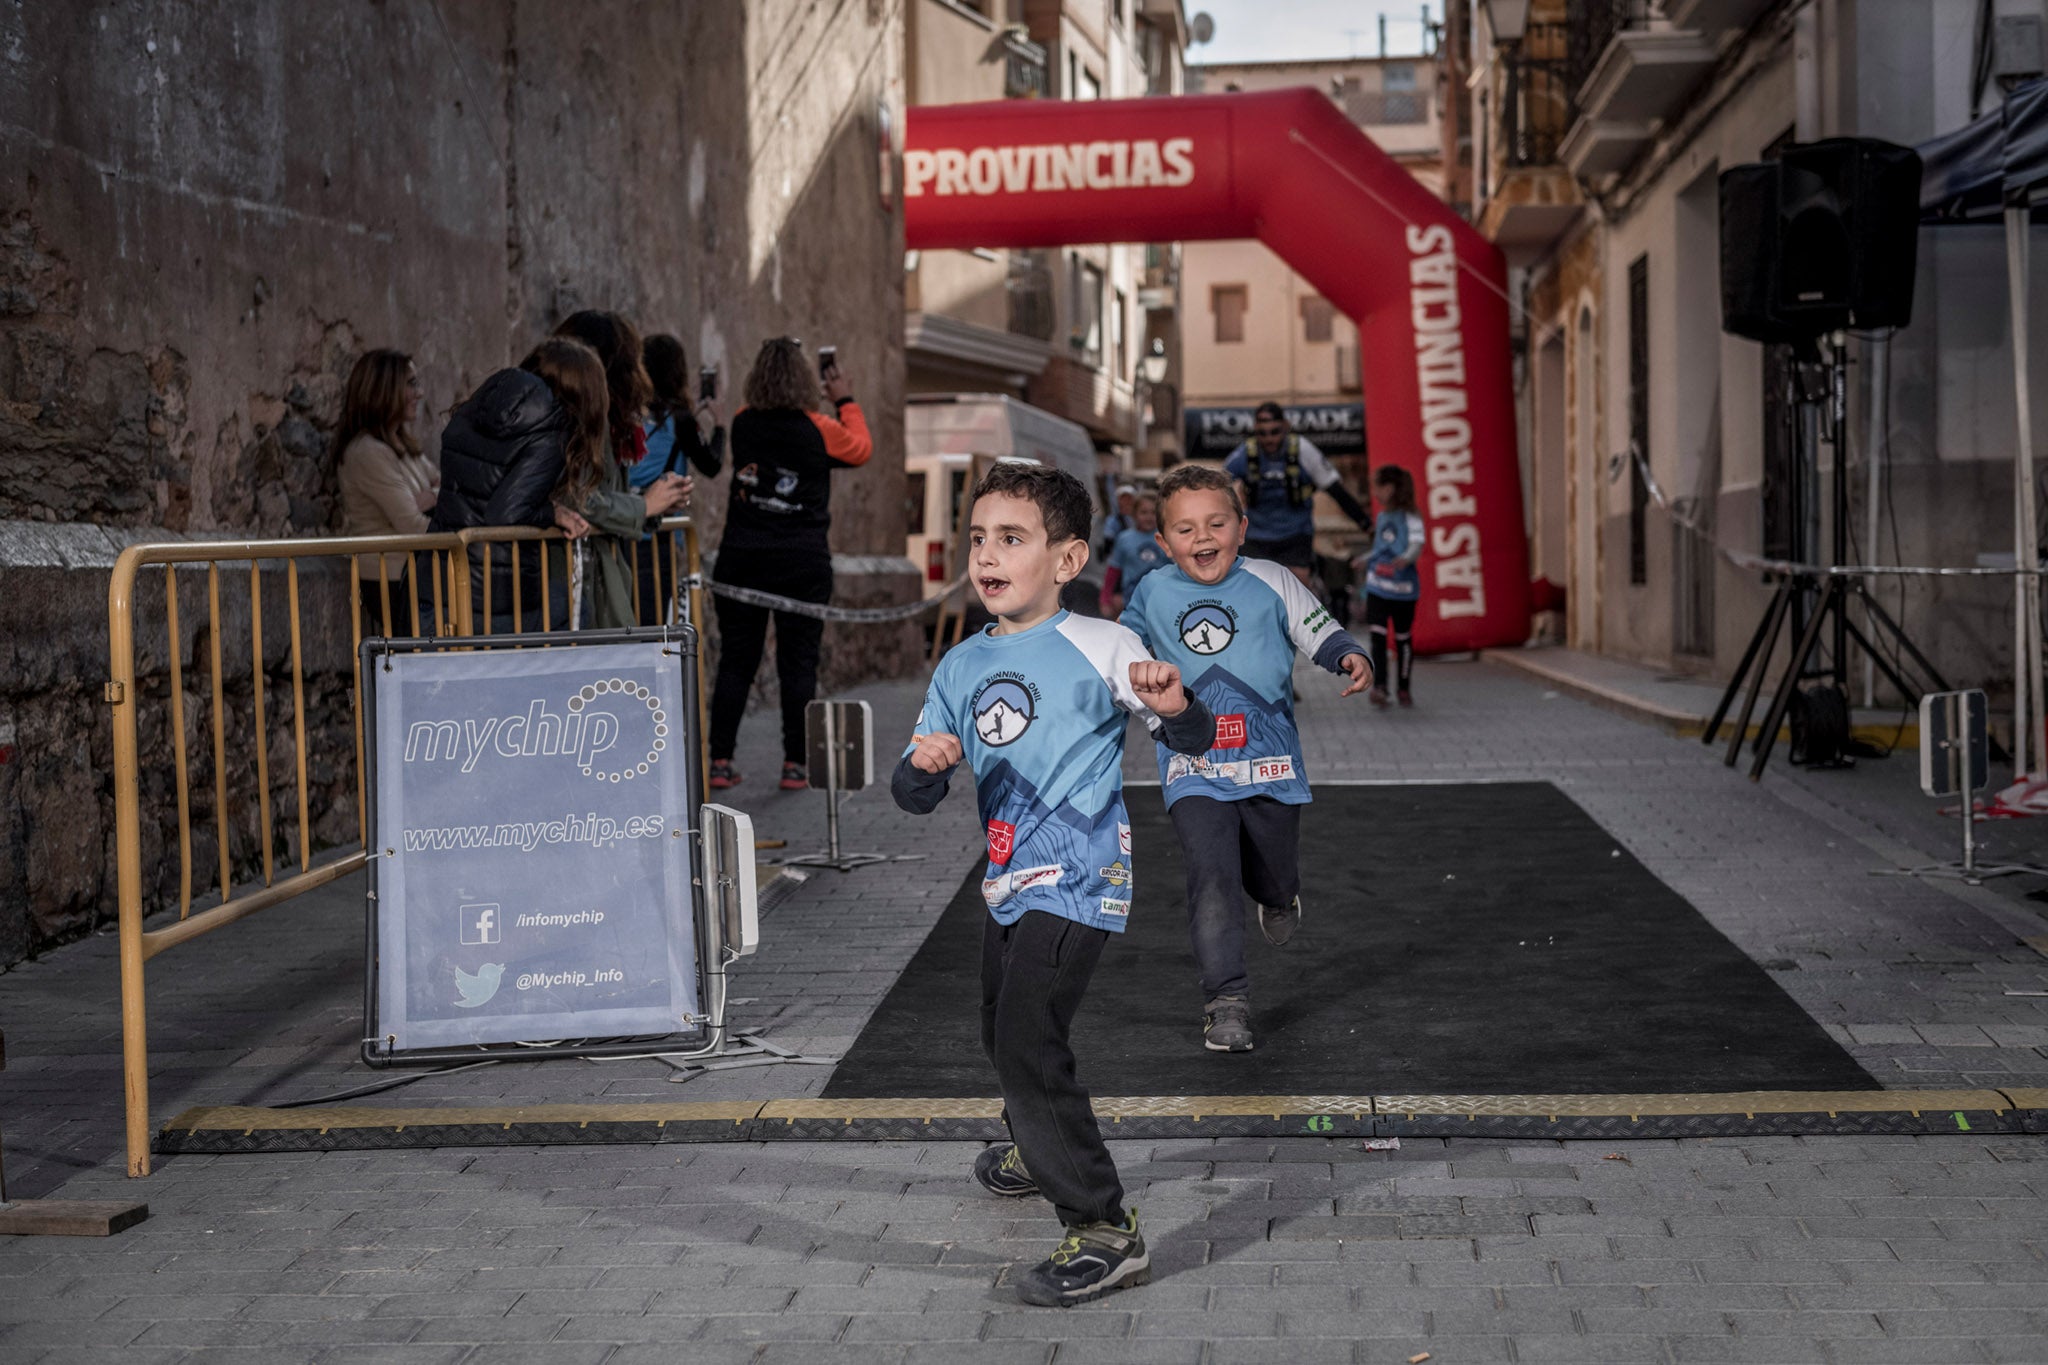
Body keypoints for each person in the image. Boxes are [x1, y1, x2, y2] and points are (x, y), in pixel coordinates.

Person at [891, 462, 1215, 1307]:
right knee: (1001, 1030)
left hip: (1081, 877)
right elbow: (911, 789)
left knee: (1029, 1041)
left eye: (1012, 538)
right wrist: (924, 766)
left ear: (1067, 560)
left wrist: (1176, 704)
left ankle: (1105, 1228)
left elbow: (1194, 738)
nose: (987, 555)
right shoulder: (960, 665)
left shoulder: (1106, 645)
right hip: (1006, 881)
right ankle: (1032, 1143)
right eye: (978, 538)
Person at [1120, 463, 1371, 1054]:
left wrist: (1347, 655)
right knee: (1211, 876)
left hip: (1270, 759)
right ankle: (1226, 1002)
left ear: (1241, 527)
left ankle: (1280, 894)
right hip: (1193, 761)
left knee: (1271, 868)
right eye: (1185, 529)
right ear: (1163, 543)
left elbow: (1318, 627)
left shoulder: (1271, 578)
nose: (1202, 538)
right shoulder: (1152, 593)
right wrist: (1127, 679)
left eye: (1216, 523)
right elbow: (1122, 652)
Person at [707, 338, 871, 791]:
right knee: (799, 664)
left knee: (737, 661)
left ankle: (720, 760)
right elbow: (860, 449)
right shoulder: (820, 428)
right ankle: (795, 764)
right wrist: (846, 399)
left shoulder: (742, 424)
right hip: (801, 562)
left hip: (742, 560)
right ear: (806, 381)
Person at [428, 338, 607, 632]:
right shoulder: (553, 432)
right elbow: (504, 515)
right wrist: (552, 514)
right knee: (576, 609)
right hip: (492, 599)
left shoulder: (480, 407)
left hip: (437, 585)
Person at [552, 311, 692, 628]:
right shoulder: (581, 420)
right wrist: (645, 505)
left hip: (595, 580)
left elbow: (600, 494)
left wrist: (655, 501)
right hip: (576, 586)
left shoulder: (602, 420)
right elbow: (581, 500)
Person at [335, 348, 436, 637]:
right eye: (411, 383)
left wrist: (431, 497)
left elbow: (450, 486)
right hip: (393, 580)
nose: (419, 393)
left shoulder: (403, 446)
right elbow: (414, 527)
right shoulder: (368, 452)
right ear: (384, 389)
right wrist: (425, 501)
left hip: (413, 577)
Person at [629, 333, 726, 623]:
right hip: (658, 533)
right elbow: (711, 464)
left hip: (622, 529)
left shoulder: (630, 414)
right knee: (654, 620)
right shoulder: (681, 419)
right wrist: (719, 424)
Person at [1222, 401, 1374, 586]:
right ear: (1255, 429)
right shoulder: (1246, 452)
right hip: (1256, 535)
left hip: (1295, 534)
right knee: (1251, 588)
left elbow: (1335, 490)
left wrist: (1366, 524)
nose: (1269, 439)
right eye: (1262, 433)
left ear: (1285, 427)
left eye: (1275, 432)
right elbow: (1218, 485)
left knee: (1298, 586)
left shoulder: (1303, 450)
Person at [1357, 464, 1426, 708]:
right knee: (1377, 637)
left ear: (1391, 488)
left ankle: (1404, 687)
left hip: (1403, 590)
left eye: (1378, 487)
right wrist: (1364, 560)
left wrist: (1407, 558)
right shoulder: (1383, 516)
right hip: (1378, 586)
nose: (1375, 493)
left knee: (1402, 639)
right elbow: (1379, 550)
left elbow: (1417, 543)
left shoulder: (1412, 516)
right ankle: (1381, 687)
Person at [1099, 492, 1166, 615]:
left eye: (1153, 513)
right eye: (1144, 512)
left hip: (1162, 600)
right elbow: (1114, 570)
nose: (1149, 517)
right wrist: (1106, 599)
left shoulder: (1166, 538)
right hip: (1132, 601)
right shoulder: (1124, 538)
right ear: (1134, 514)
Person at [1098, 482, 1137, 557]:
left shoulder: (1140, 518)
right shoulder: (1112, 521)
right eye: (1123, 499)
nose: (1126, 501)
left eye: (1129, 498)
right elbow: (1108, 542)